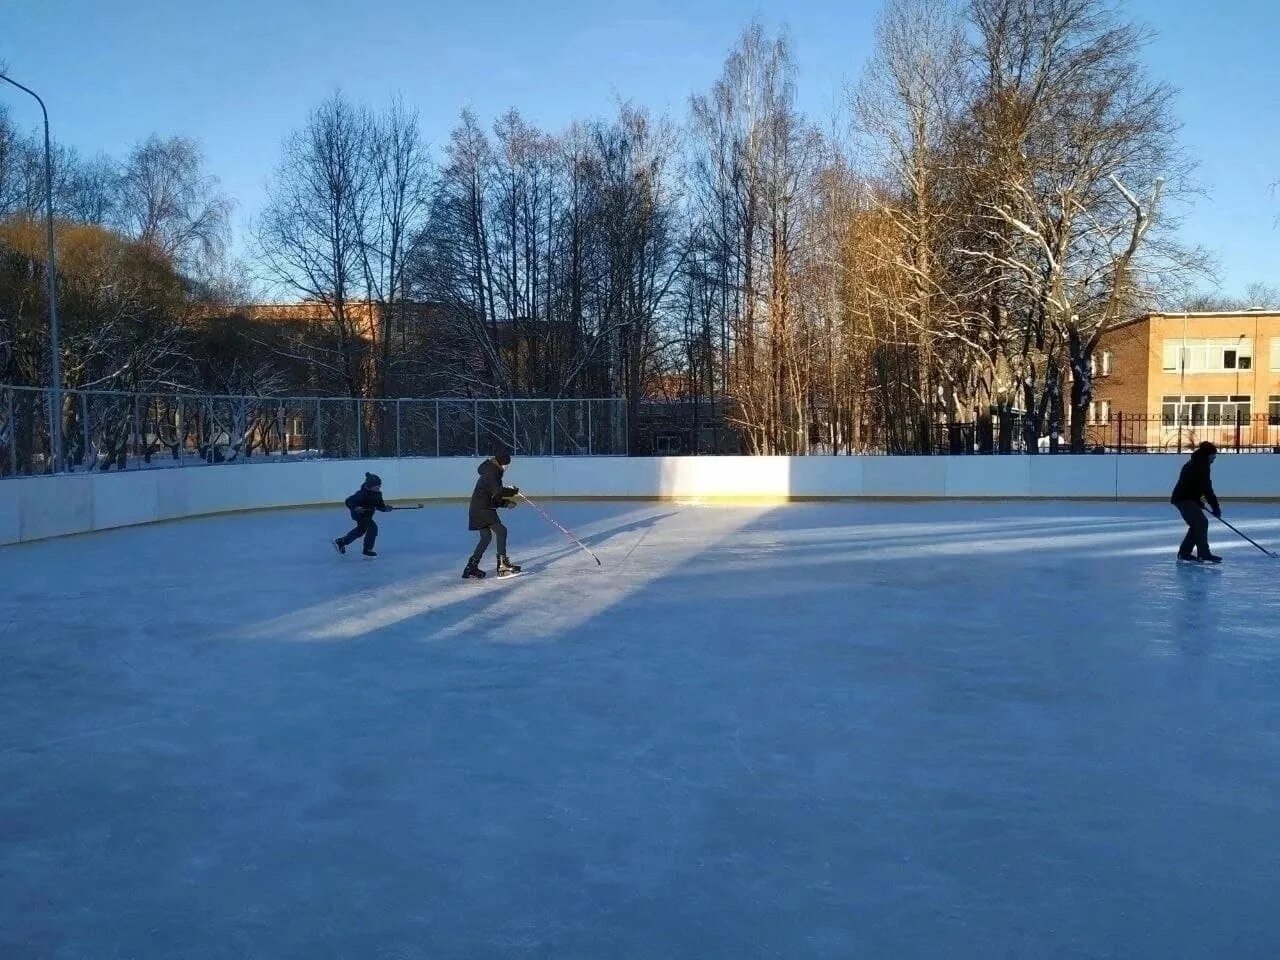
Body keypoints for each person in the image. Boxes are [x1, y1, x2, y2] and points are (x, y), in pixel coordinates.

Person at [463, 451, 521, 579]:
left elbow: (495, 496)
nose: (507, 467)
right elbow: (498, 491)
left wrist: (506, 503)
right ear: (502, 463)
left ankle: (471, 567)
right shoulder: (492, 472)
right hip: (483, 509)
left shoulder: (491, 471)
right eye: (507, 464)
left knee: (486, 537)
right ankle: (502, 567)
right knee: (501, 531)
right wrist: (513, 491)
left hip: (478, 508)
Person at [1170, 441, 1222, 564]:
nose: (1214, 460)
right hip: (1184, 499)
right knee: (1201, 523)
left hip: (1185, 498)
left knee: (1198, 524)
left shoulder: (1197, 462)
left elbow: (1195, 485)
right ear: (1207, 455)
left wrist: (1198, 501)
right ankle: (1203, 554)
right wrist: (1215, 507)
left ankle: (1184, 553)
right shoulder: (1201, 465)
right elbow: (1207, 488)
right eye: (1213, 457)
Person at [334, 472, 393, 558]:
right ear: (370, 486)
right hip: (359, 515)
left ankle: (341, 541)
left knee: (361, 530)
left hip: (368, 515)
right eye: (376, 486)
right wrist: (356, 508)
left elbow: (380, 506)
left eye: (379, 485)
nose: (379, 487)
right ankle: (367, 549)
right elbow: (348, 501)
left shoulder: (378, 494)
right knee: (372, 528)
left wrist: (386, 509)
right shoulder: (361, 494)